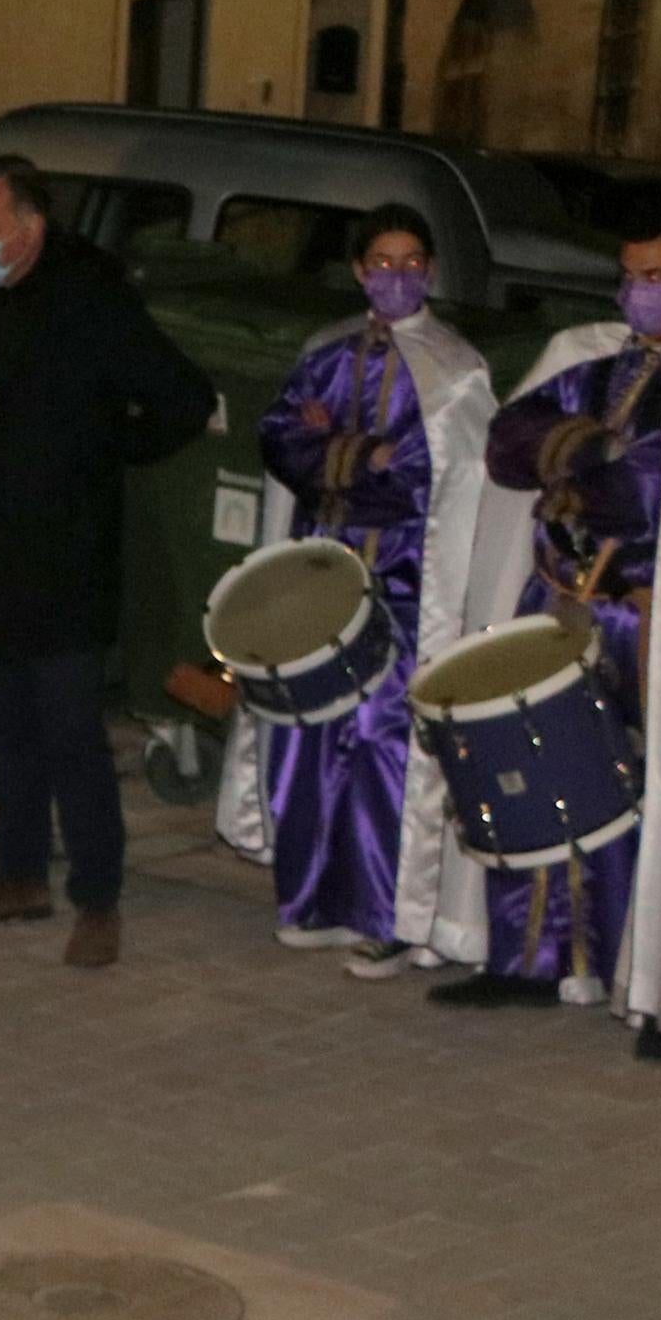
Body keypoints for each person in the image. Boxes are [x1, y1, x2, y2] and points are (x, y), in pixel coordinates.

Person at [433, 206, 661, 1069]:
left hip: (650, 618)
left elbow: (646, 495)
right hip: (555, 601)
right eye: (627, 274)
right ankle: (533, 957)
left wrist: (582, 466)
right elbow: (508, 446)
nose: (637, 291)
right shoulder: (588, 354)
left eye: (656, 275)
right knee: (539, 768)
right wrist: (578, 448)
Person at [0, 156, 216, 968]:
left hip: (63, 549)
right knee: (4, 727)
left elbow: (180, 397)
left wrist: (105, 448)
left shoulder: (89, 296)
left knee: (69, 733)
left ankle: (96, 894)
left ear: (31, 227)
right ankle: (16, 873)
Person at [212, 206, 494, 976]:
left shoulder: (455, 368)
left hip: (404, 584)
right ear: (358, 269)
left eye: (410, 261)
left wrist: (333, 447)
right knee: (309, 737)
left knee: (384, 748)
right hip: (320, 577)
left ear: (429, 271)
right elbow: (279, 437)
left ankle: (393, 916)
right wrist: (350, 454)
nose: (395, 275)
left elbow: (425, 470)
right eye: (380, 260)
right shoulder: (325, 351)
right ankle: (315, 899)